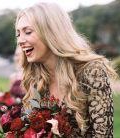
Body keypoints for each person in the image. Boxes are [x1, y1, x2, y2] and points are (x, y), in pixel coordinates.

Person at [15, 3, 117, 137]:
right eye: (18, 34)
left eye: (27, 32)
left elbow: (103, 135)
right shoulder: (35, 79)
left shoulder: (92, 72)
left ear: (51, 31)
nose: (20, 41)